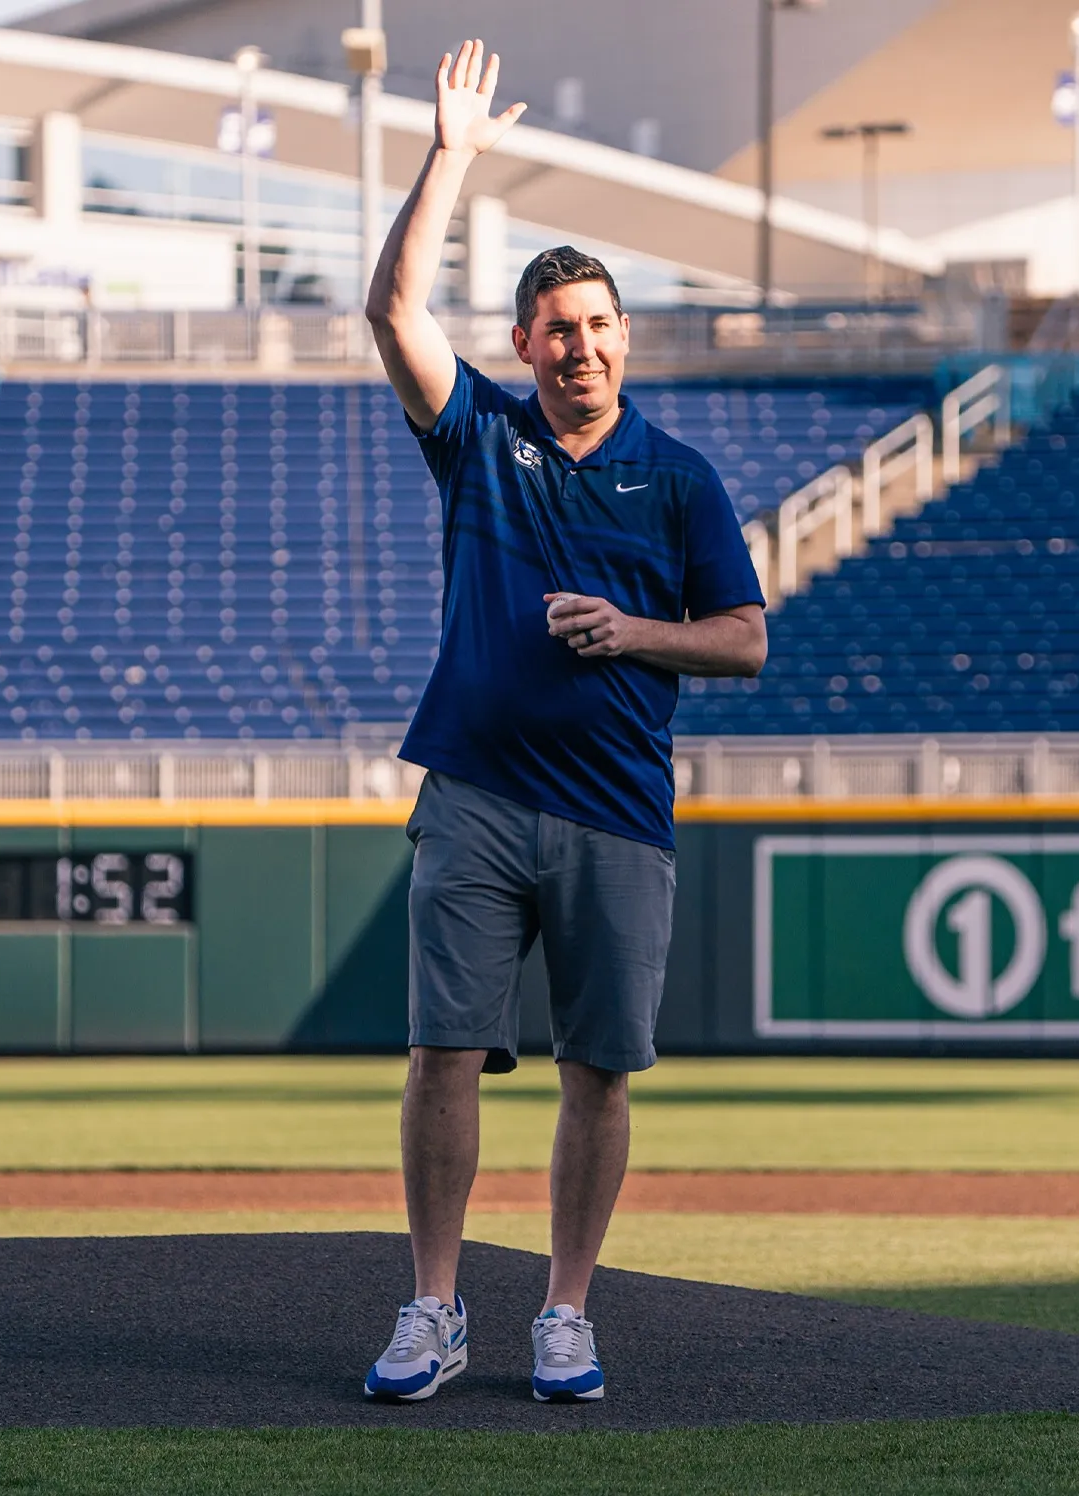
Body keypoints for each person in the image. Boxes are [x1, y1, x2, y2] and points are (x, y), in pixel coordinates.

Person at [362, 39, 767, 1405]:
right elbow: (391, 308)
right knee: (440, 1056)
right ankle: (432, 1307)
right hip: (474, 789)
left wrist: (634, 631)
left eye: (600, 323)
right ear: (526, 345)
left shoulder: (681, 480)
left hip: (616, 811)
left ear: (622, 338)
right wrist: (454, 155)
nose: (581, 343)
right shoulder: (481, 435)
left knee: (599, 1071)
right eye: (557, 328)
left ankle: (566, 1314)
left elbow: (747, 640)